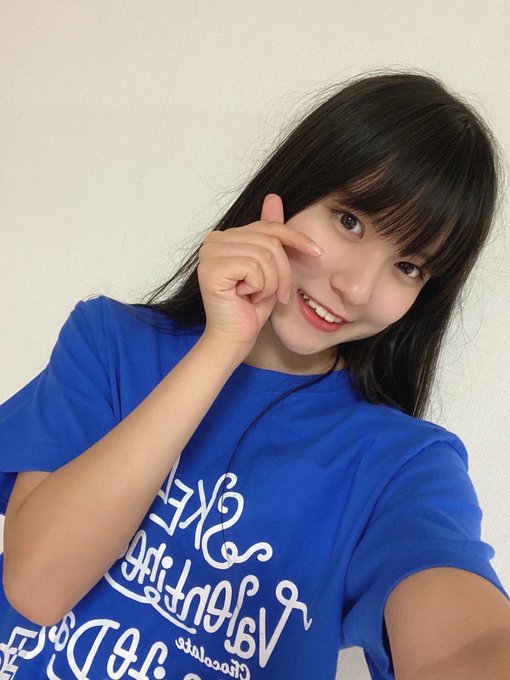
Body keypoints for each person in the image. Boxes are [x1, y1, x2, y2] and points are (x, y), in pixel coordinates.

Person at [0, 69, 509, 680]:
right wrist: (223, 343)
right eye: (350, 221)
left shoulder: (401, 466)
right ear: (292, 187)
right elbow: (38, 586)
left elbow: (467, 642)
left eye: (408, 266)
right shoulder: (111, 343)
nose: (355, 288)